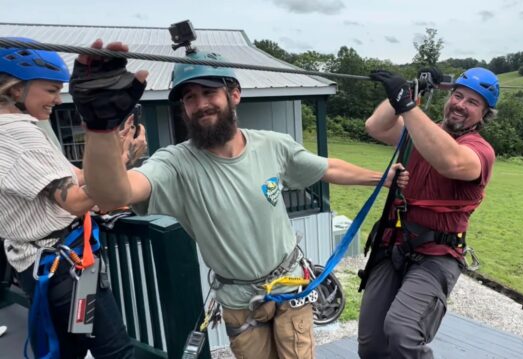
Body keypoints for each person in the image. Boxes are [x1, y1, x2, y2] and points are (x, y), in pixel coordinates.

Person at [72, 39, 405, 359]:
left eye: (209, 92)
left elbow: (326, 167)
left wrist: (383, 178)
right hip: (238, 301)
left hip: (291, 287)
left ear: (234, 95)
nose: (200, 104)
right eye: (189, 97)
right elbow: (114, 193)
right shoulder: (175, 163)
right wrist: (100, 128)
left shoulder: (273, 145)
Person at [0, 38, 145, 358]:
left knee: (67, 352)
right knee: (117, 352)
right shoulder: (16, 134)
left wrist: (115, 157)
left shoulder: (18, 130)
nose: (58, 98)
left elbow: (74, 176)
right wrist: (120, 162)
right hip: (65, 268)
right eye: (51, 89)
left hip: (41, 265)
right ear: (15, 89)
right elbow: (76, 201)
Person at [358, 67, 499, 358]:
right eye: (458, 96)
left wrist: (407, 104)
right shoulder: (420, 134)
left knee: (402, 332)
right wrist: (413, 92)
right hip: (394, 244)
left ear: (485, 115)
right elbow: (376, 126)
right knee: (371, 345)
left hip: (437, 254)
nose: (460, 104)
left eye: (473, 102)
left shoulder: (479, 151)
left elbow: (451, 162)